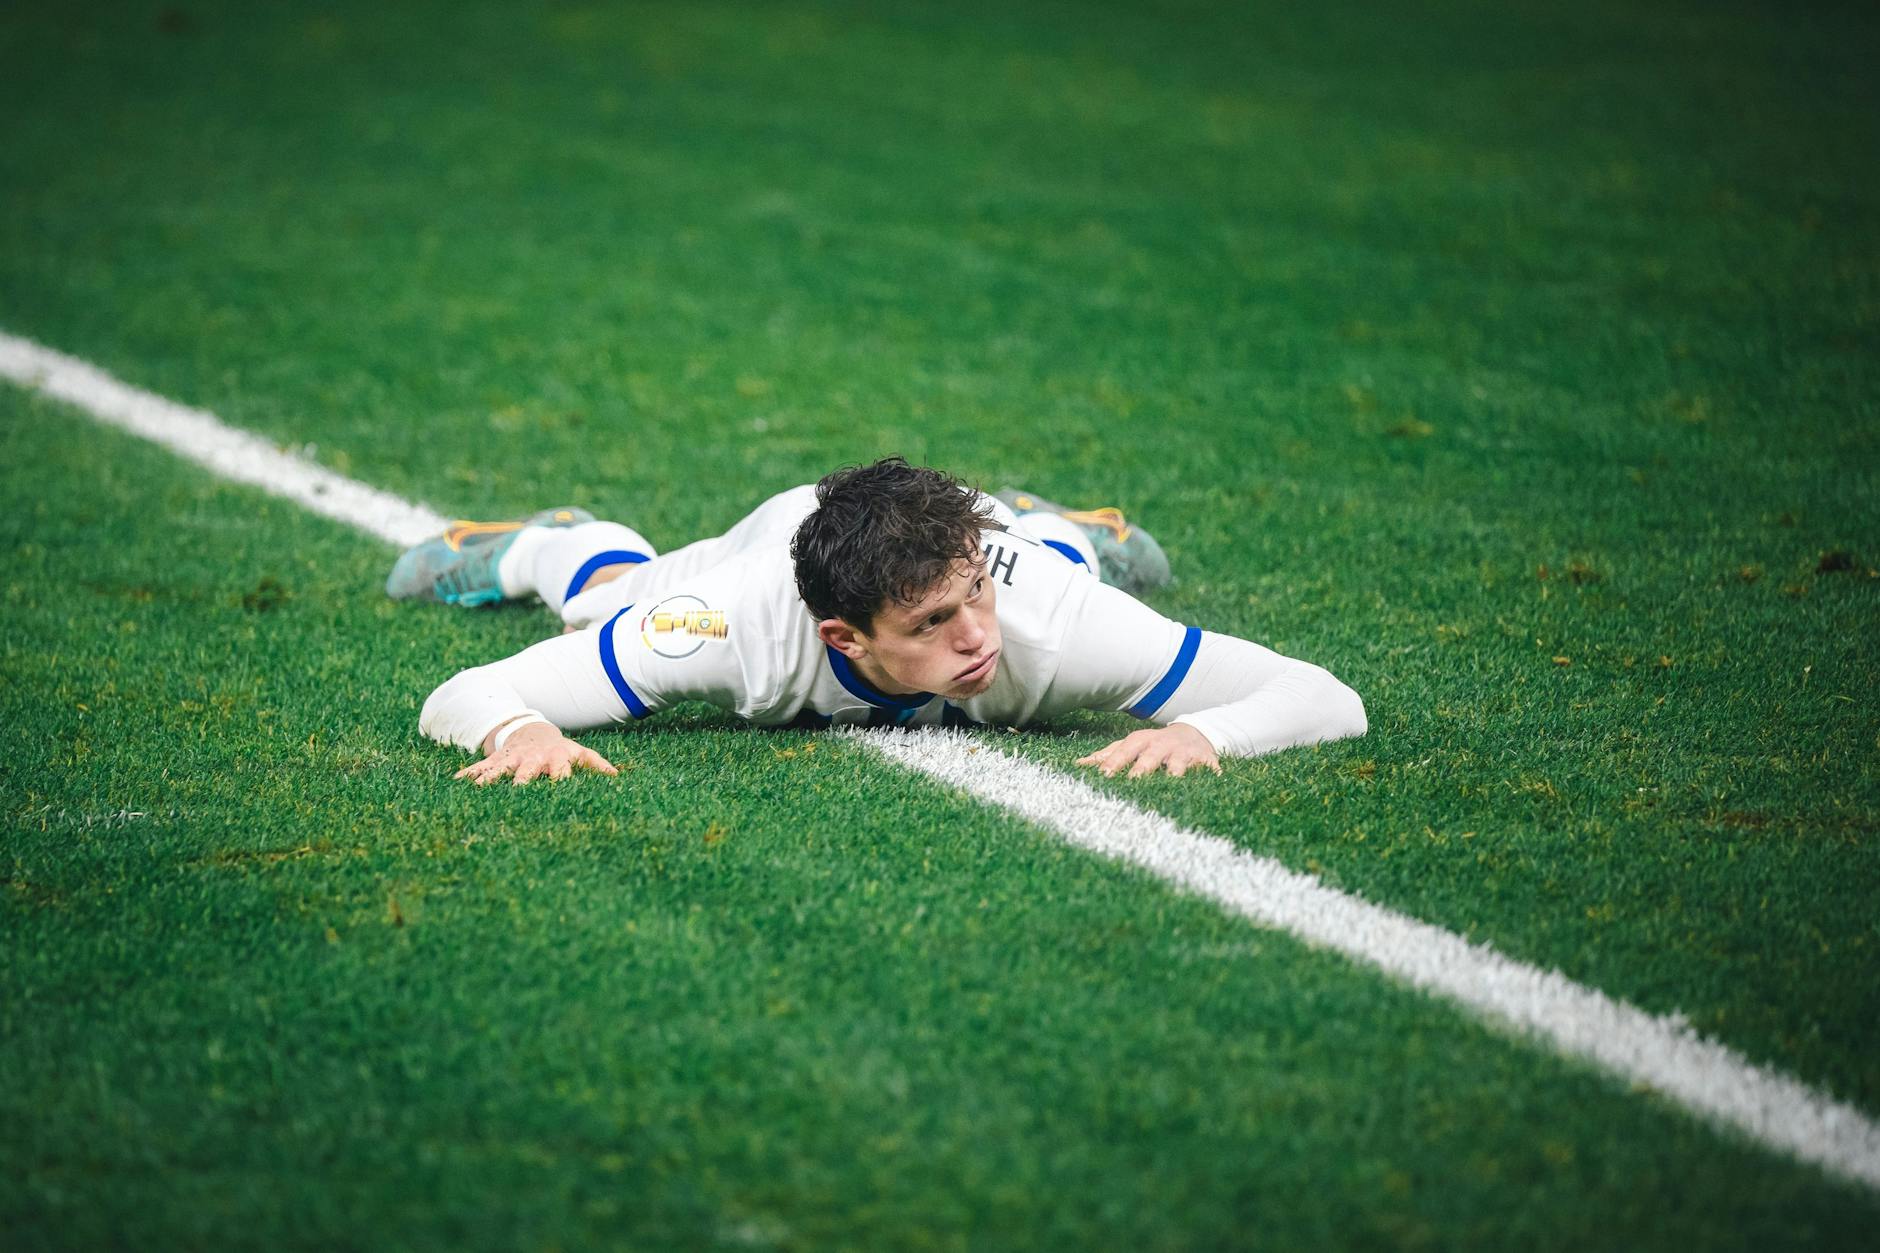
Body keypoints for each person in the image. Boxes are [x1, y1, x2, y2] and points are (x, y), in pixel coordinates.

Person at [390, 459, 1367, 784]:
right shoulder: (732, 627)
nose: (974, 635)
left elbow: (1324, 697)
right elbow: (466, 692)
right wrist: (517, 729)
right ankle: (552, 542)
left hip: (1019, 556)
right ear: (843, 642)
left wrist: (1207, 729)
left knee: (1052, 583)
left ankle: (1049, 532)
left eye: (971, 598)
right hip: (774, 539)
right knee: (611, 598)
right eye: (934, 623)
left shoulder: (1040, 619)